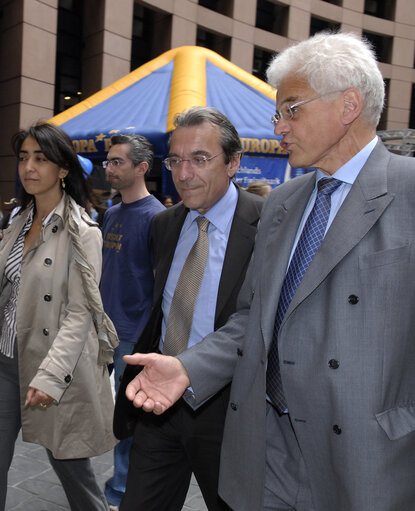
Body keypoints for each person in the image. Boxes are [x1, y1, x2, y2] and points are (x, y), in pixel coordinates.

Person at [119, 32, 415, 511]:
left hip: (369, 460)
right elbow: (252, 318)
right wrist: (187, 367)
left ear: (348, 105)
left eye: (291, 110)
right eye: (279, 113)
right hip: (268, 451)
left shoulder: (409, 191)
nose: (279, 126)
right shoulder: (282, 203)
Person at [114, 106, 264, 511]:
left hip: (227, 410)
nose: (183, 174)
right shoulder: (164, 224)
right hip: (159, 406)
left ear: (233, 163)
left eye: (199, 159)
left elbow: (260, 323)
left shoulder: (267, 225)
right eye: (175, 160)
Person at [0, 122, 118, 511]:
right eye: (23, 158)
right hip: (5, 362)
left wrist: (51, 377)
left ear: (63, 169)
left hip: (49, 366)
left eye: (41, 158)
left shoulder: (83, 231)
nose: (29, 167)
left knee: (71, 468)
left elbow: (81, 313)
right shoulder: (16, 221)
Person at [100, 133, 165, 510]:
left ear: (141, 167)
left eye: (117, 162)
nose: (109, 168)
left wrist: (147, 339)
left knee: (128, 421)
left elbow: (160, 285)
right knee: (113, 417)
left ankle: (122, 494)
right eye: (108, 161)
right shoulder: (111, 213)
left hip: (134, 338)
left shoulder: (157, 217)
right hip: (105, 334)